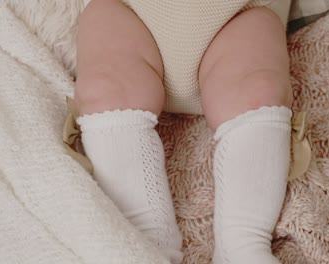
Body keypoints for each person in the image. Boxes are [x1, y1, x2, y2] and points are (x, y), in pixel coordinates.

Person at [74, 0, 292, 263]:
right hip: (131, 13)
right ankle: (146, 239)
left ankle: (243, 244)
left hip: (235, 16)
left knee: (259, 90)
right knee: (104, 86)